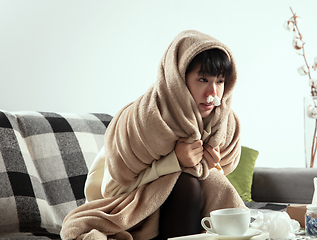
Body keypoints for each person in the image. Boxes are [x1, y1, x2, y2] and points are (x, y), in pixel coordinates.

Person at [60, 30, 245, 240]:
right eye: (203, 79)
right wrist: (174, 161)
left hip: (172, 214)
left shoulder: (224, 124)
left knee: (210, 180)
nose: (212, 93)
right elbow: (112, 189)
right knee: (186, 181)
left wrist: (212, 167)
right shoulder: (145, 120)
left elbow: (212, 186)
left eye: (220, 81)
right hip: (124, 204)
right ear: (180, 80)